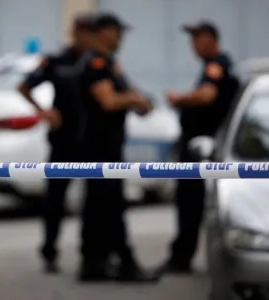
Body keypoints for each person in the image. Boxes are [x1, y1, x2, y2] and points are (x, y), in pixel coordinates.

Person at [77, 13, 158, 282]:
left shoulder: (111, 64)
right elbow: (109, 101)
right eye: (117, 31)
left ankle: (94, 263)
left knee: (100, 207)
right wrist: (134, 99)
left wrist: (139, 101)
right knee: (110, 207)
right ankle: (124, 264)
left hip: (108, 146)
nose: (120, 37)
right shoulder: (96, 63)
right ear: (103, 32)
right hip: (99, 148)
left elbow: (127, 96)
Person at [157, 21, 240, 274]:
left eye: (197, 39)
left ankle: (181, 258)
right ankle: (181, 256)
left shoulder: (217, 65)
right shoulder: (211, 66)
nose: (193, 45)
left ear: (210, 39)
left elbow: (207, 96)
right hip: (199, 149)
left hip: (202, 151)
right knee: (189, 202)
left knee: (191, 203)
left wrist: (179, 99)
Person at [17, 13, 95, 274]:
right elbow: (24, 86)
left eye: (88, 31)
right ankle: (49, 251)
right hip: (62, 142)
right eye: (80, 31)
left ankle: (91, 255)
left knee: (95, 201)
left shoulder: (97, 63)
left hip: (91, 141)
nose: (83, 36)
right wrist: (43, 111)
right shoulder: (56, 61)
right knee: (54, 201)